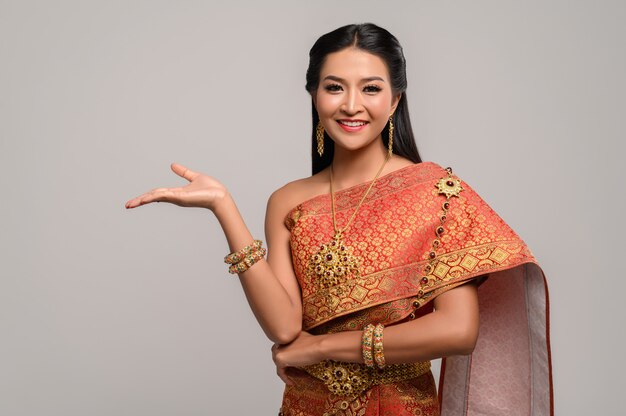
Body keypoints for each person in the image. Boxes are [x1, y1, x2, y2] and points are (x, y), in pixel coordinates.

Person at [125, 23, 553, 416]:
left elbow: (458, 331)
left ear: (395, 99)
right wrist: (224, 207)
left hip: (398, 407)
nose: (351, 105)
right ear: (314, 95)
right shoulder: (288, 201)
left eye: (370, 88)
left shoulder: (435, 192)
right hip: (304, 406)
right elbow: (284, 325)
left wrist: (323, 348)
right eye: (334, 87)